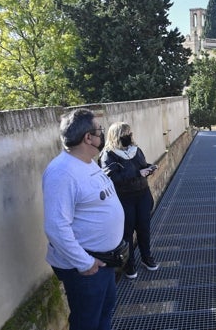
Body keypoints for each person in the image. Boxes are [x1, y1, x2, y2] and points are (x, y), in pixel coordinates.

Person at [43, 108, 125, 330]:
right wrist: (85, 263)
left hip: (104, 261)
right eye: (99, 130)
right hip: (87, 267)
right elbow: (56, 227)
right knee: (87, 322)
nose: (102, 133)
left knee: (104, 313)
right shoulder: (62, 172)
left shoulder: (87, 162)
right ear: (88, 137)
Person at [100, 121, 159, 279]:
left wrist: (150, 167)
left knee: (144, 229)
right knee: (127, 233)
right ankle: (129, 265)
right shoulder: (108, 154)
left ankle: (147, 258)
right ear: (118, 136)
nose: (130, 136)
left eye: (130, 133)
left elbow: (141, 165)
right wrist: (137, 174)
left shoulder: (136, 150)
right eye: (127, 134)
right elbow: (112, 177)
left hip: (142, 195)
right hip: (124, 198)